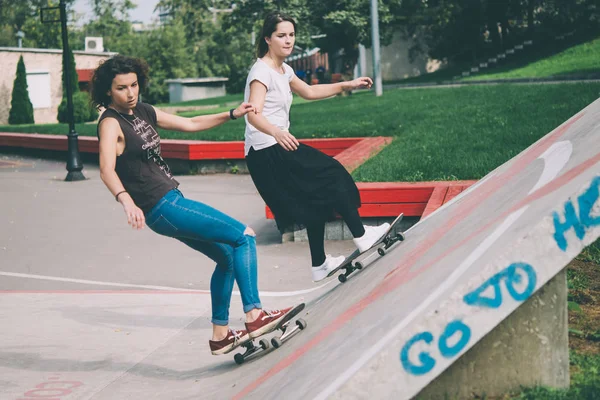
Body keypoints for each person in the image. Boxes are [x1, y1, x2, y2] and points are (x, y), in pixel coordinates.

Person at [91, 55, 293, 356]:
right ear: (109, 91)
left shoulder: (143, 111)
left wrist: (232, 113)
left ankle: (221, 336)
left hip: (171, 202)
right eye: (121, 88)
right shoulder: (110, 123)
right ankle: (255, 315)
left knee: (226, 258)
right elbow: (106, 168)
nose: (130, 93)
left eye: (134, 85)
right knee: (243, 237)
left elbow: (191, 123)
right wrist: (126, 201)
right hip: (160, 206)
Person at [243, 12, 390, 283]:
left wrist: (347, 84)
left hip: (274, 146)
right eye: (281, 36)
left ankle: (319, 264)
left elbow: (310, 92)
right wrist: (276, 131)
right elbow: (252, 113)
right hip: (268, 149)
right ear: (267, 39)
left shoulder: (283, 70)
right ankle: (361, 235)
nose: (288, 41)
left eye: (291, 35)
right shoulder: (261, 72)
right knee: (331, 172)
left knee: (313, 198)